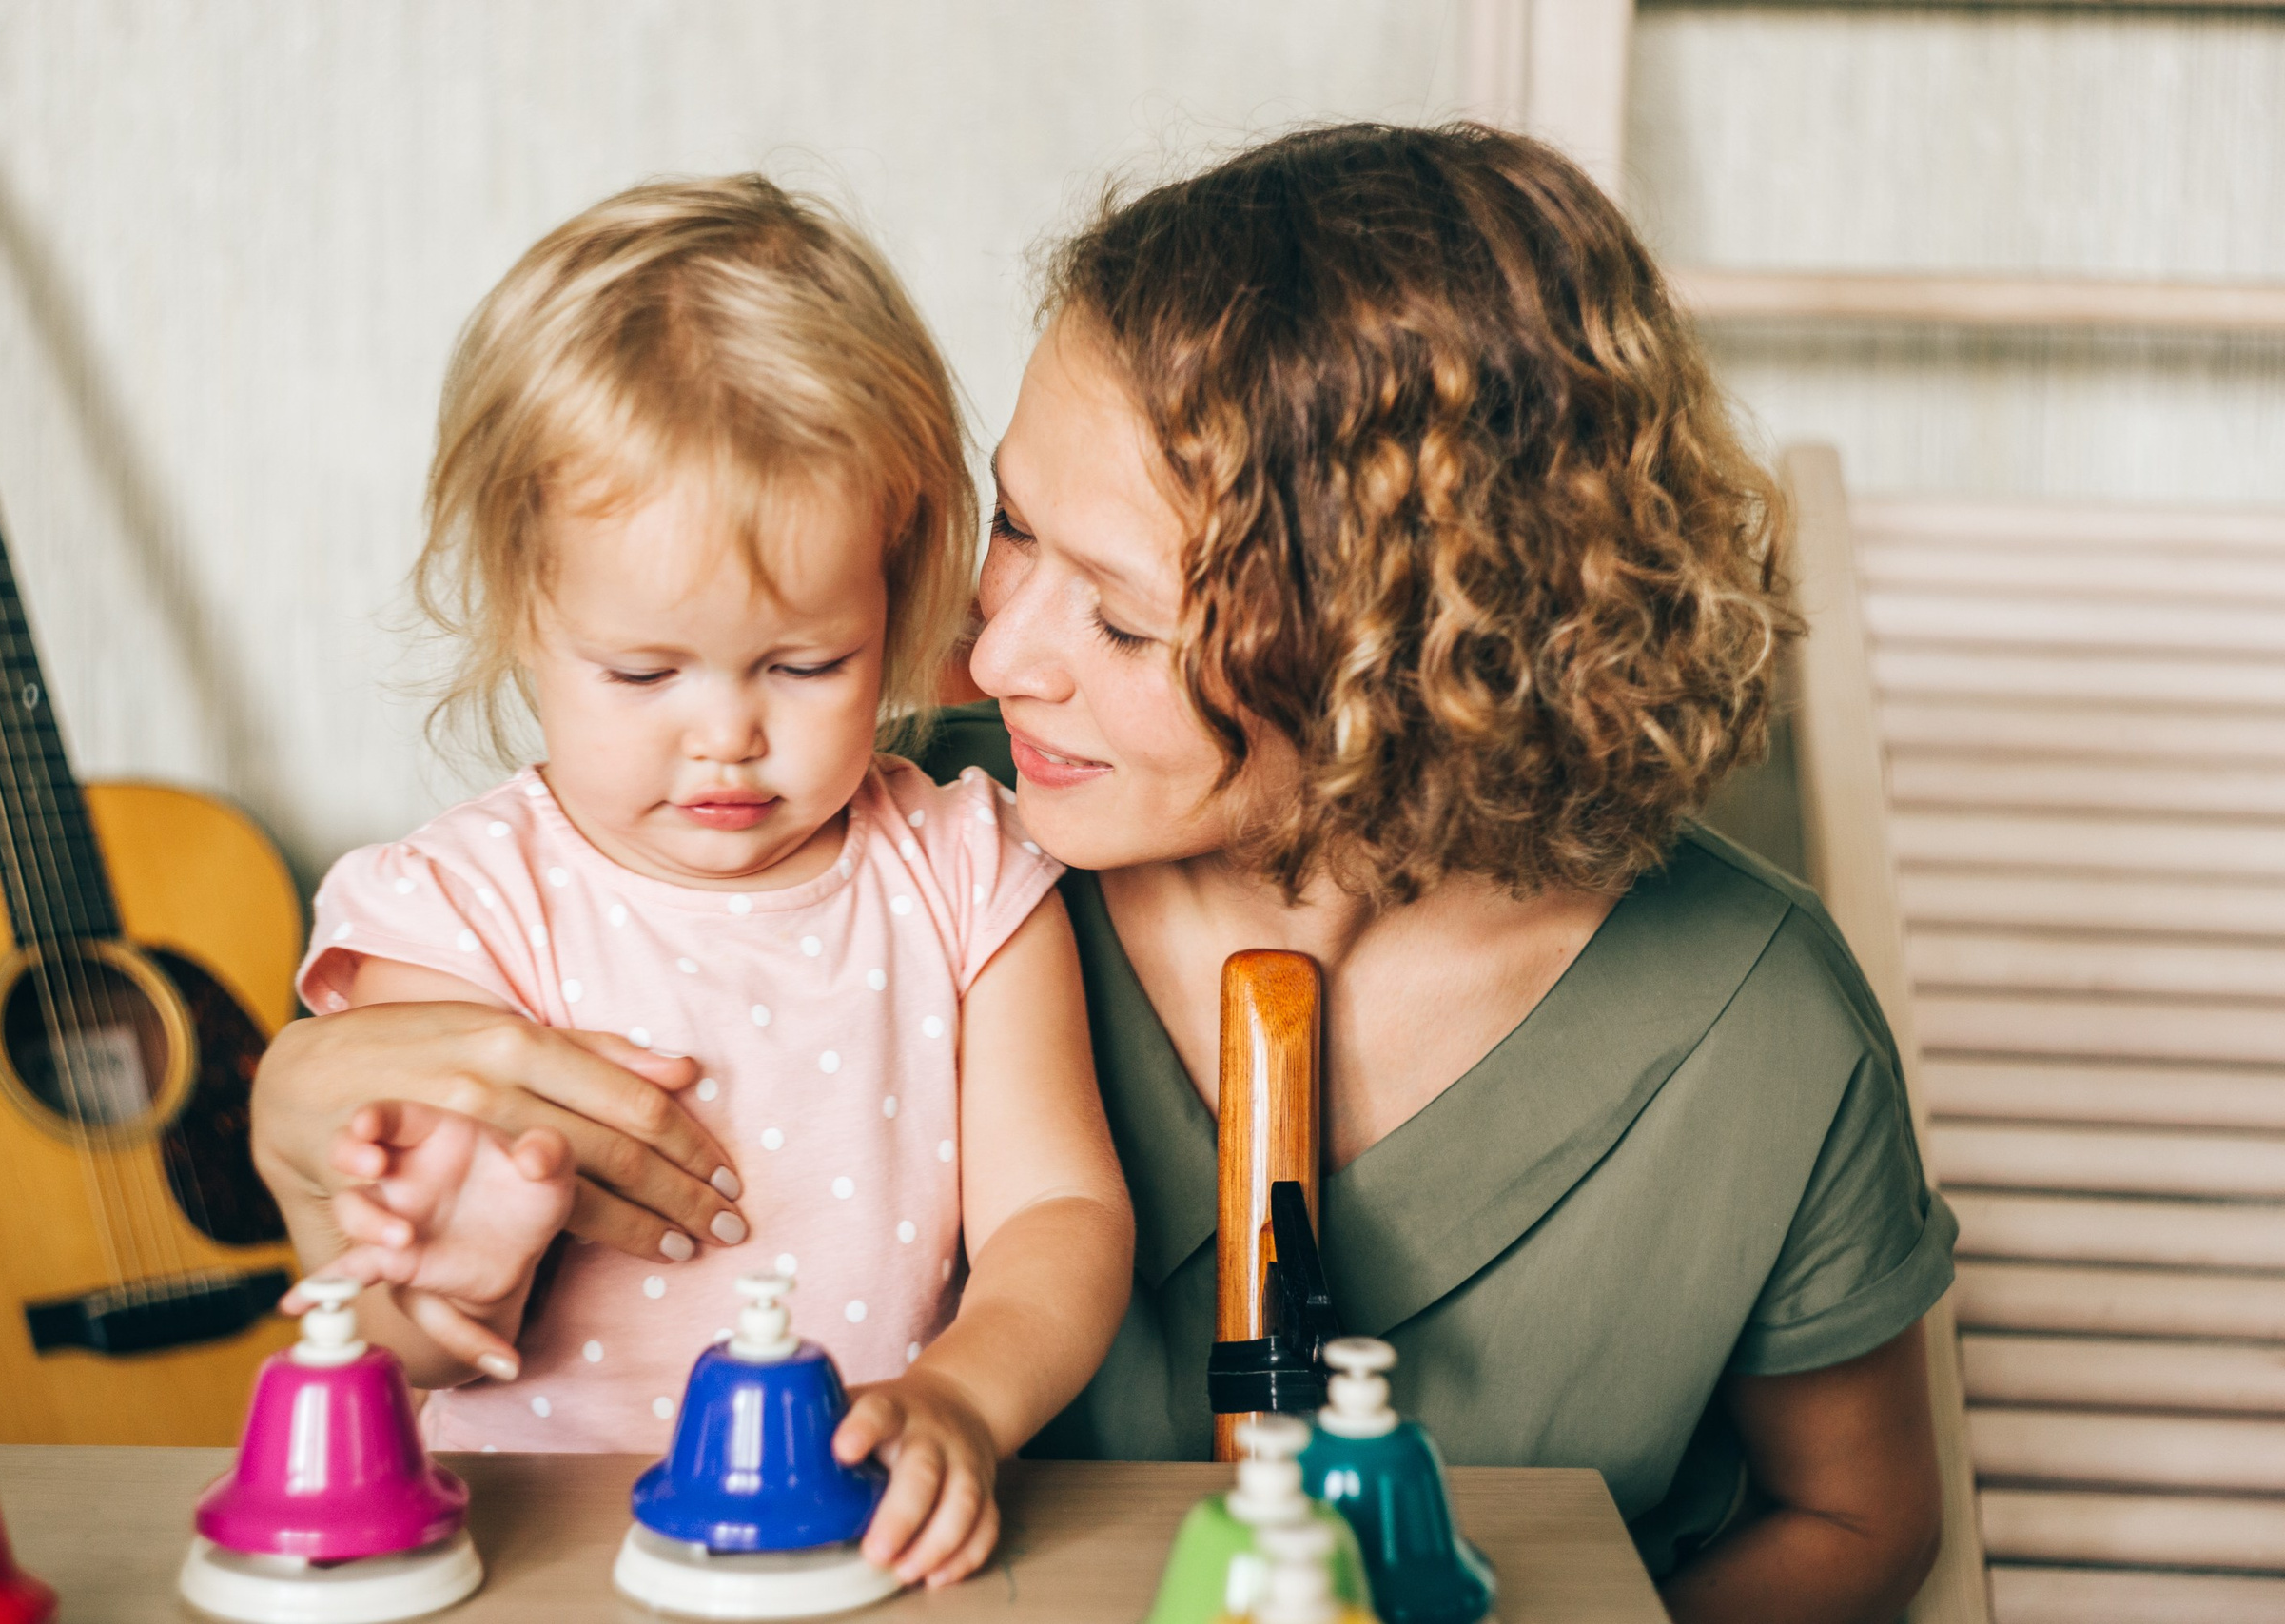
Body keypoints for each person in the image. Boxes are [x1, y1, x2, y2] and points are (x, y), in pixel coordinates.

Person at [255, 126, 1951, 1623]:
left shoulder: (1760, 1031)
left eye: (1125, 622)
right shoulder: (886, 818)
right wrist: (309, 1106)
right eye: (1012, 530)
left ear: (1414, 661)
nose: (994, 658)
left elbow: (1861, 1528)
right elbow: (409, 1238)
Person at [267, 175, 1133, 1594]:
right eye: (642, 672)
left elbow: (1062, 1217)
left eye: (805, 664)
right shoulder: (456, 913)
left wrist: (966, 1400)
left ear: (897, 591)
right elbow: (398, 1341)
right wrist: (450, 1278)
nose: (726, 734)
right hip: (536, 1560)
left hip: (859, 1539)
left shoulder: (968, 871)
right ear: (521, 607)